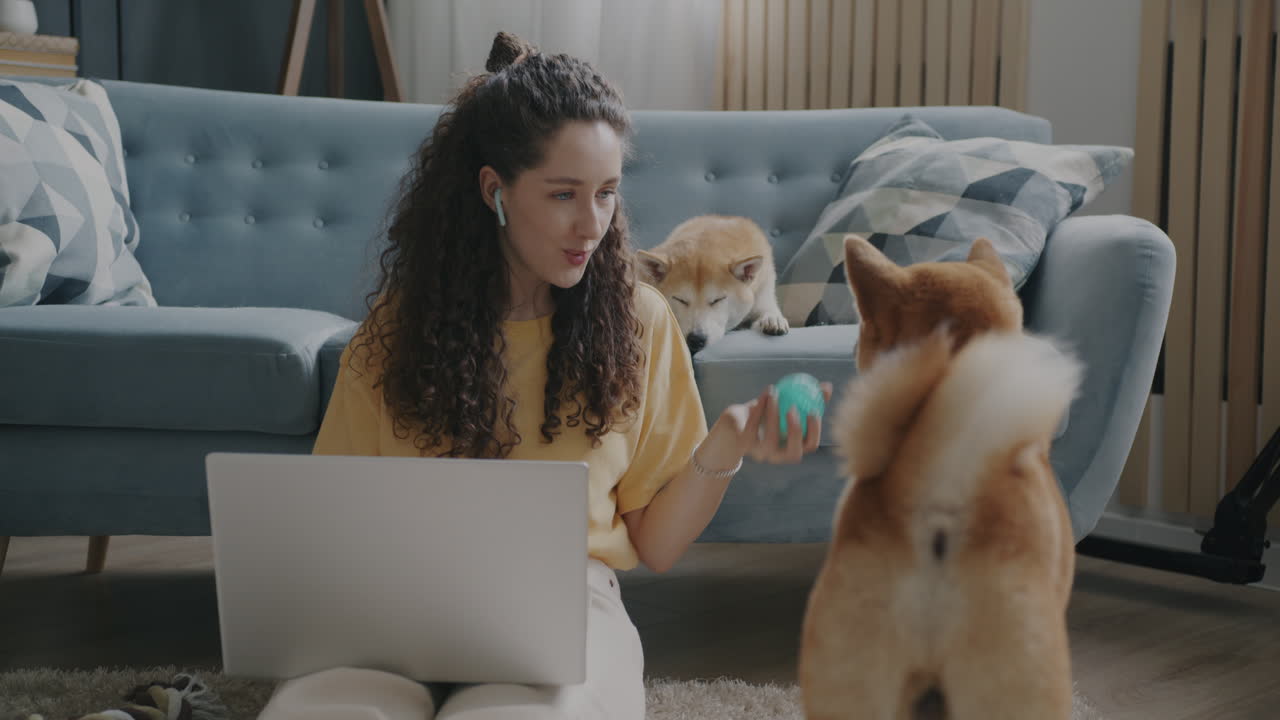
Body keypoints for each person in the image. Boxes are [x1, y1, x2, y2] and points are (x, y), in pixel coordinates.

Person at [267, 31, 831, 720]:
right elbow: (335, 525)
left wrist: (727, 446)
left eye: (606, 194)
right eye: (564, 194)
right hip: (394, 607)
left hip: (571, 605)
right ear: (493, 191)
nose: (592, 224)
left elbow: (654, 543)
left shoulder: (643, 322)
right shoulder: (397, 328)